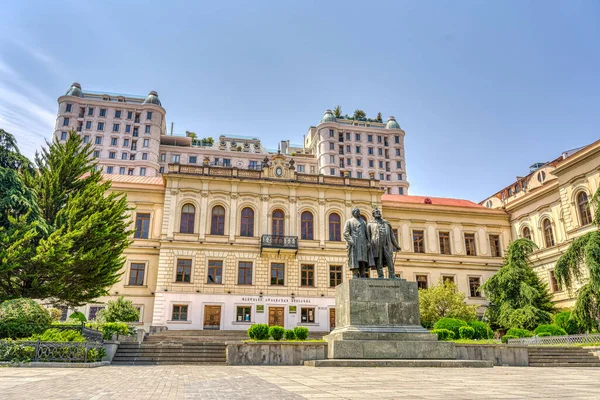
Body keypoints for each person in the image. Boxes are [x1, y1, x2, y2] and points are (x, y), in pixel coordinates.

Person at [367, 208, 400, 279]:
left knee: (389, 260)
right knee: (379, 261)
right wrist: (368, 245)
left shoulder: (386, 223)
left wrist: (396, 245)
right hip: (376, 245)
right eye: (376, 212)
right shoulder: (370, 224)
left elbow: (392, 235)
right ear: (373, 214)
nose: (378, 213)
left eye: (378, 212)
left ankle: (392, 275)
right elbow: (368, 237)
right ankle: (380, 275)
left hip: (387, 244)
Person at [343, 208, 372, 278]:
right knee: (354, 259)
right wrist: (351, 241)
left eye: (358, 211)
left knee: (362, 260)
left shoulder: (363, 222)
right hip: (354, 243)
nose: (358, 212)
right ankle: (355, 274)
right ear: (353, 213)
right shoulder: (349, 221)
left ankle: (362, 274)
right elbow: (345, 233)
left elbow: (367, 234)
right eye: (356, 211)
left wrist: (368, 242)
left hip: (363, 243)